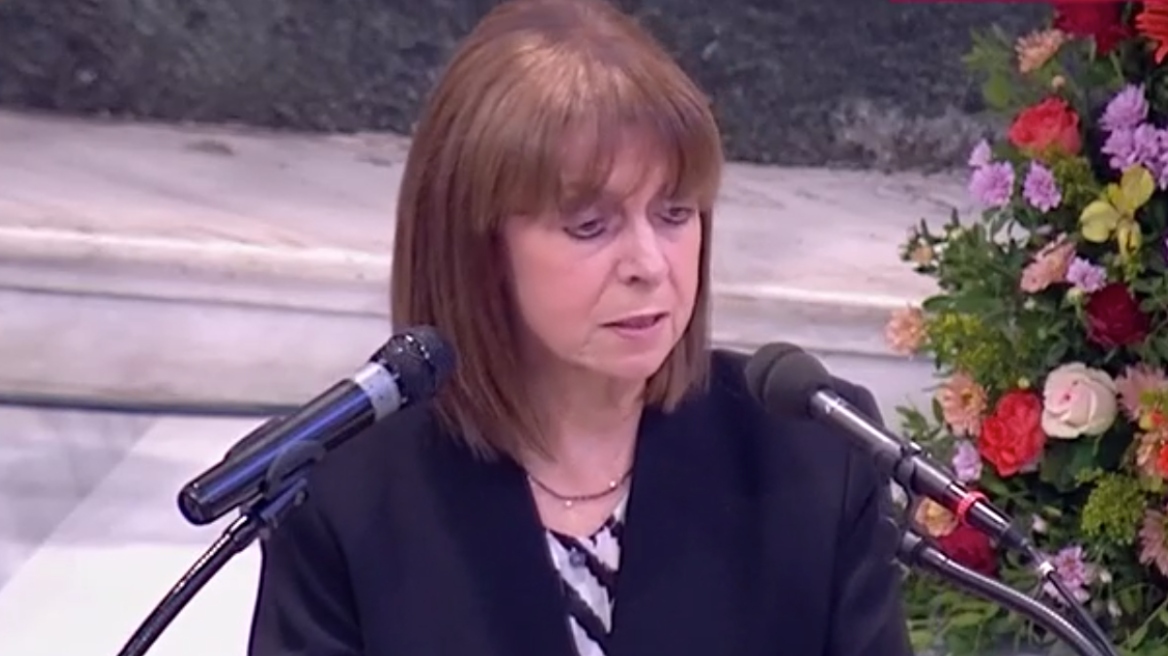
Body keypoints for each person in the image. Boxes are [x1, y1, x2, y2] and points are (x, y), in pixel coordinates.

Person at [247, 0, 913, 654]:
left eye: (675, 214)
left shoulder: (812, 452)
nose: (649, 265)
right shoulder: (343, 491)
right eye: (590, 226)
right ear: (477, 248)